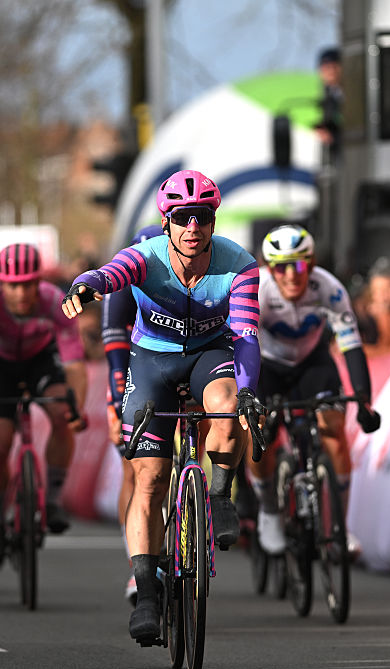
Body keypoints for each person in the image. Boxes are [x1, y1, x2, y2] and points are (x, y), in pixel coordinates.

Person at [62, 169, 263, 643]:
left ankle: (218, 493)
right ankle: (148, 594)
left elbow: (247, 337)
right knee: (149, 477)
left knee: (228, 406)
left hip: (210, 353)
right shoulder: (146, 256)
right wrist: (86, 285)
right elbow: (110, 274)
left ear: (213, 221)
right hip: (151, 360)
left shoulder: (241, 265)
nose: (193, 228)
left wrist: (250, 388)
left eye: (202, 218)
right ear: (167, 222)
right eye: (182, 218)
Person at [250, 225, 381, 557]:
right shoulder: (259, 290)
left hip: (312, 362)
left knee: (334, 430)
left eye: (299, 265)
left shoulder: (329, 288)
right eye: (281, 267)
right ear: (269, 268)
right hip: (267, 363)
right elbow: (242, 345)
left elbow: (351, 346)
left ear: (311, 264)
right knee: (259, 435)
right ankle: (268, 510)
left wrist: (363, 399)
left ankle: (340, 527)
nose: (291, 275)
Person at [0, 243, 87, 568]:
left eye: (28, 284)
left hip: (39, 361)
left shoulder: (52, 300)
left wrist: (76, 408)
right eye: (12, 285)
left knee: (63, 413)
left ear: (39, 283)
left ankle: (53, 499)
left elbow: (75, 363)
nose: (21, 293)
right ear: (0, 283)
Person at [100, 224, 164, 604]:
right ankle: (136, 565)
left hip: (180, 366)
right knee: (133, 463)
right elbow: (116, 357)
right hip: (137, 370)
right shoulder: (123, 287)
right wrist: (115, 406)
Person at [315, 47, 343, 158]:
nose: (331, 71)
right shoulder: (326, 94)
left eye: (334, 66)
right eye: (326, 67)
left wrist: (333, 136)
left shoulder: (348, 93)